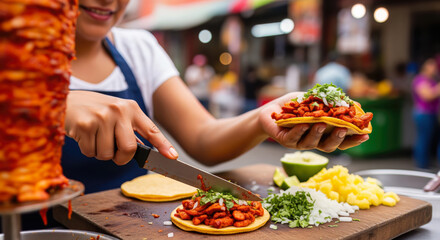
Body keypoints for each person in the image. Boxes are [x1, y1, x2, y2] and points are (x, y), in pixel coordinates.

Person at [63, 0, 369, 194]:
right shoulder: (12, 62)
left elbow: (204, 138)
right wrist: (59, 107)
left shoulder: (138, 48)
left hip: (129, 223)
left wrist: (266, 118)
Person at [412, 58, 440, 169]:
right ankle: (421, 164)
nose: (435, 69)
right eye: (432, 66)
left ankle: (426, 161)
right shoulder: (420, 80)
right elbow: (427, 96)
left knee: (429, 138)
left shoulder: (431, 80)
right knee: (424, 138)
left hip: (432, 113)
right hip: (423, 114)